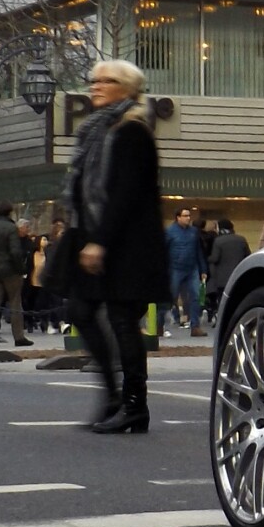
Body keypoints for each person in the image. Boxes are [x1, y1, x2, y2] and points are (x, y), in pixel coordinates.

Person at [56, 59, 168, 434]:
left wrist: (100, 242)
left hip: (126, 244)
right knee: (80, 310)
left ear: (127, 89)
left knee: (123, 321)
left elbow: (126, 194)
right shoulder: (96, 131)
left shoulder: (132, 130)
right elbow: (87, 191)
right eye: (94, 80)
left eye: (106, 81)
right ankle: (112, 397)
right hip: (95, 237)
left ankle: (135, 405)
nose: (95, 86)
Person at [0, 201, 33, 347]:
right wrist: (21, 268)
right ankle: (19, 337)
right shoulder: (11, 228)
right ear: (10, 213)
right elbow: (15, 251)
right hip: (10, 271)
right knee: (15, 302)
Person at [164, 206, 205, 337]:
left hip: (192, 268)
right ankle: (159, 325)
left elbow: (199, 251)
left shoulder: (194, 231)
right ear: (178, 217)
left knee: (195, 297)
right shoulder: (169, 232)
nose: (188, 218)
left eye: (189, 215)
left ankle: (195, 326)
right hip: (175, 268)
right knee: (170, 297)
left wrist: (203, 269)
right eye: (185, 215)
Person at [206, 218, 250, 324]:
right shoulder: (241, 239)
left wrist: (207, 258)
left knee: (223, 301)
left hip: (222, 278)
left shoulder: (218, 241)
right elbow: (248, 255)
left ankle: (223, 321)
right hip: (238, 276)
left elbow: (215, 258)